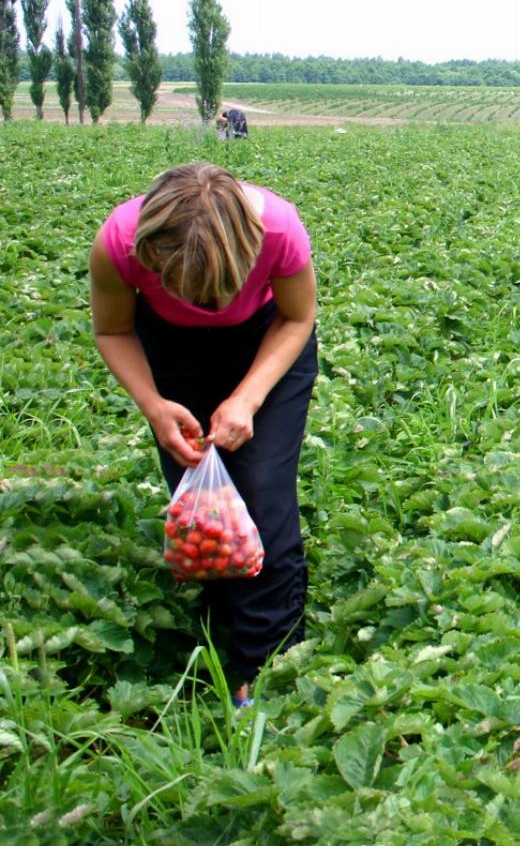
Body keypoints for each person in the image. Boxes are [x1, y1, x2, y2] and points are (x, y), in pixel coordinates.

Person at [90, 163, 317, 707]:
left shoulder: (280, 229)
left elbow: (297, 317)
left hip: (266, 345)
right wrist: (154, 407)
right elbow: (113, 329)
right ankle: (221, 616)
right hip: (169, 354)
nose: (207, 303)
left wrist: (248, 397)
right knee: (199, 496)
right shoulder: (118, 243)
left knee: (261, 490)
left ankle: (267, 662)